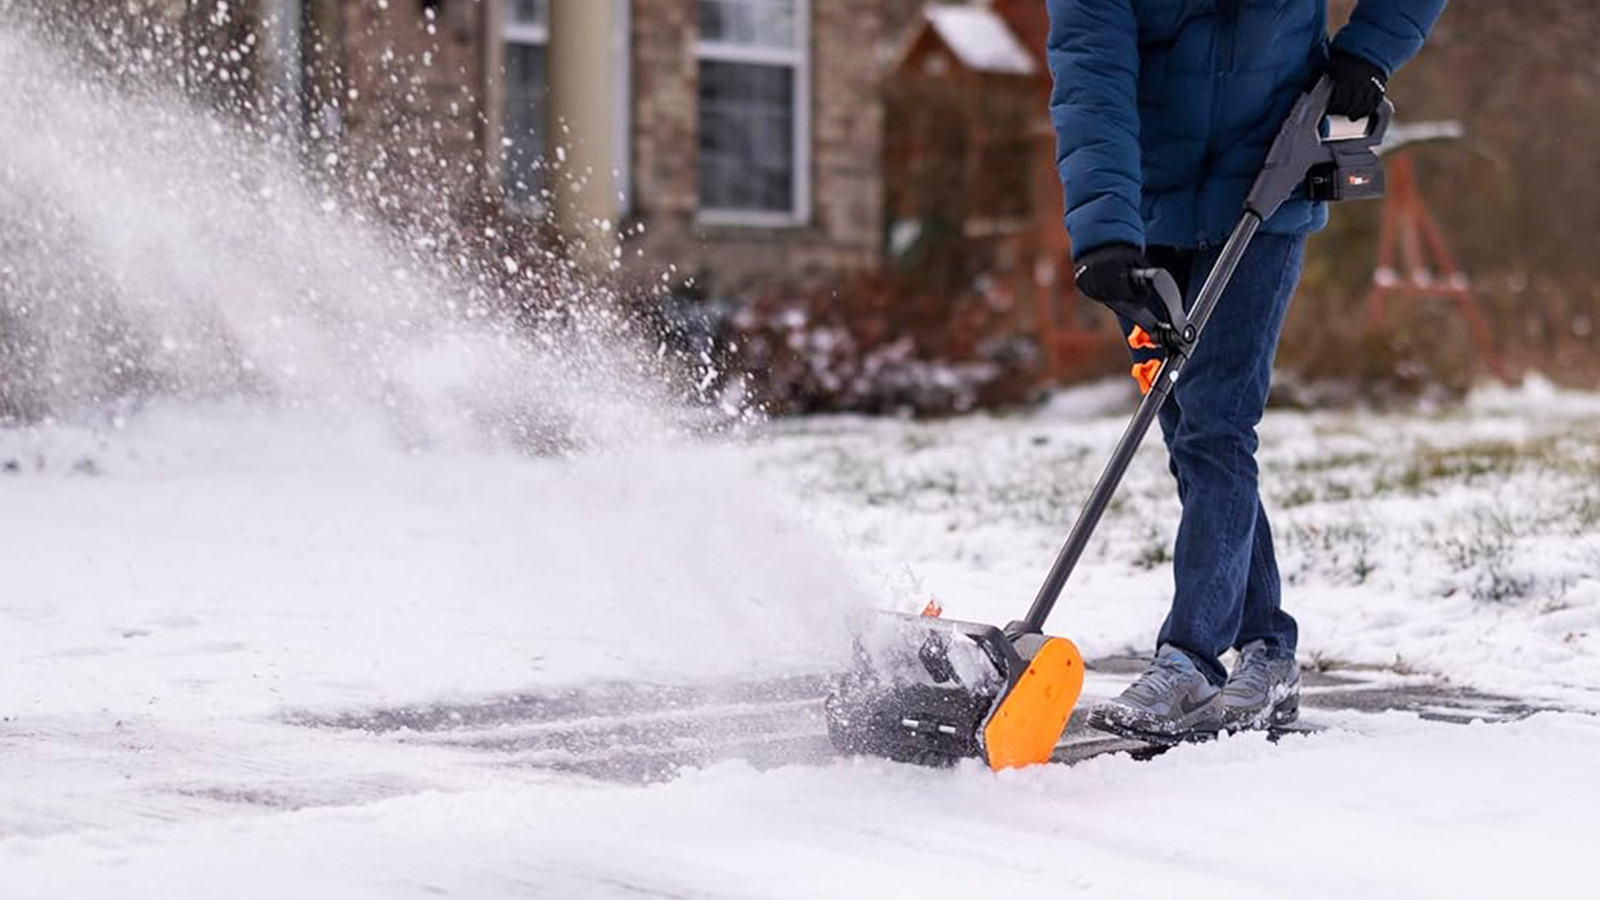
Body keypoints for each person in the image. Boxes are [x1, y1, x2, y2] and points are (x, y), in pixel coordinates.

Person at [1044, 0, 1448, 741]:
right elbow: (1090, 77)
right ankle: (1269, 648)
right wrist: (1104, 237)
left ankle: (1193, 659)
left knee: (1216, 425)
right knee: (1190, 430)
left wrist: (1369, 52)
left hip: (1269, 178)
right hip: (1145, 212)